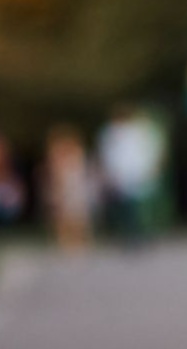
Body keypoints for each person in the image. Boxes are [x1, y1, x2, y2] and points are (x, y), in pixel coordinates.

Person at [97, 104, 163, 248]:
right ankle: (129, 234)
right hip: (121, 174)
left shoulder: (139, 130)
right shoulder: (110, 132)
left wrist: (151, 167)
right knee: (126, 206)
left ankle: (141, 233)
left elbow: (149, 150)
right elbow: (108, 154)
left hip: (137, 172)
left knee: (138, 206)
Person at [41, 125, 99, 251]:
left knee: (78, 214)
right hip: (64, 187)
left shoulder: (77, 152)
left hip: (75, 186)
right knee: (63, 215)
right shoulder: (56, 153)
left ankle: (80, 241)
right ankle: (65, 242)